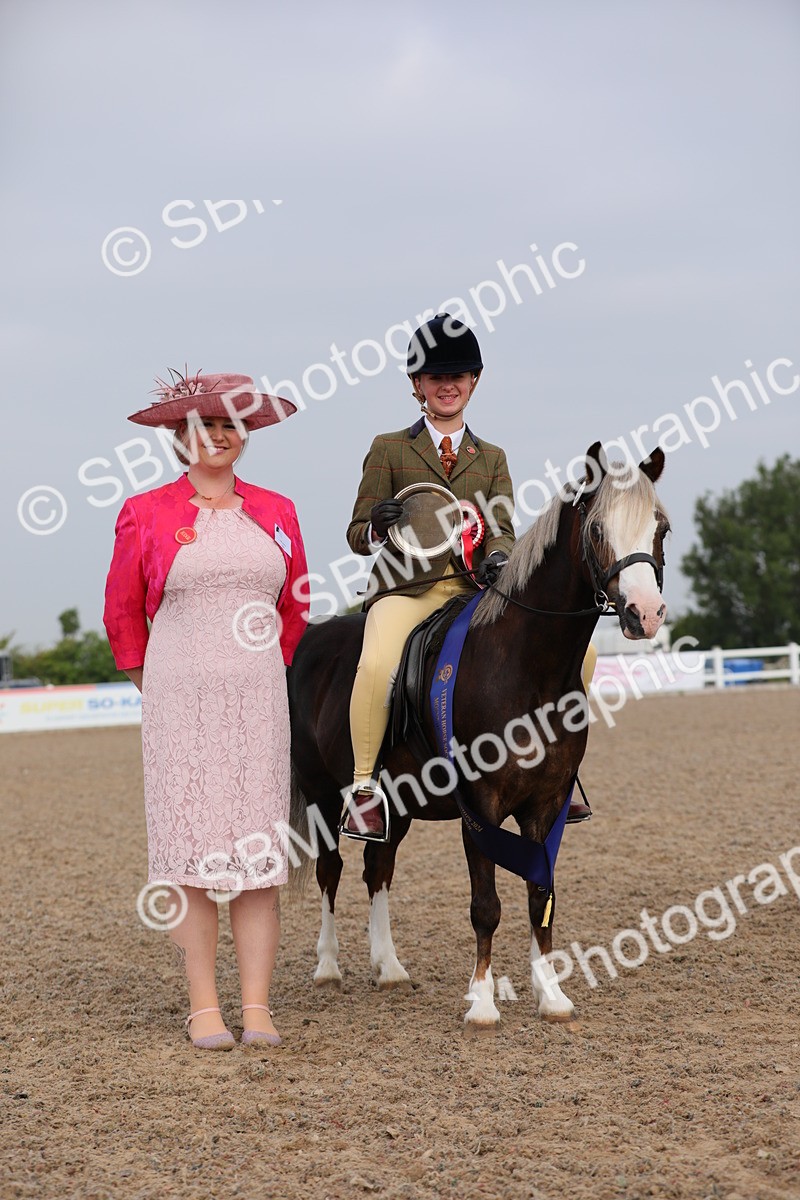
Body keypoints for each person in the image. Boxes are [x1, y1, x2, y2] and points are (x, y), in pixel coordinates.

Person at [103, 369, 309, 1051]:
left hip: (258, 703)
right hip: (179, 704)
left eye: (230, 425)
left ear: (244, 435)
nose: (218, 436)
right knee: (189, 857)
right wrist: (156, 685)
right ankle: (203, 1009)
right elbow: (122, 612)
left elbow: (296, 603)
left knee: (258, 860)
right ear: (179, 435)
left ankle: (257, 1008)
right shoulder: (144, 512)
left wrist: (264, 670)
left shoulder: (278, 510)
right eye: (204, 425)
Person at [342, 316, 595, 842]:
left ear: (474, 381)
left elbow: (501, 529)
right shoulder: (389, 448)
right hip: (406, 588)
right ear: (417, 384)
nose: (447, 385)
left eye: (457, 375)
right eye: (436, 377)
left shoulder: (493, 458)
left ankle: (561, 771)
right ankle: (365, 789)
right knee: (377, 664)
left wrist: (499, 558)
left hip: (474, 590)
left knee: (584, 654)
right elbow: (356, 534)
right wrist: (376, 525)